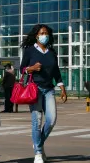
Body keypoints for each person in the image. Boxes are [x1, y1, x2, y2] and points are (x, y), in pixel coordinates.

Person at [20, 24, 67, 163]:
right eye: (41, 33)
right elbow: (21, 69)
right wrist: (32, 68)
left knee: (51, 120)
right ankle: (38, 153)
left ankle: (37, 143)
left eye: (46, 33)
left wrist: (62, 87)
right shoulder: (29, 51)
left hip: (49, 89)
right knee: (37, 121)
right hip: (34, 89)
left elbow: (56, 71)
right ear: (36, 35)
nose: (44, 35)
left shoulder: (52, 52)